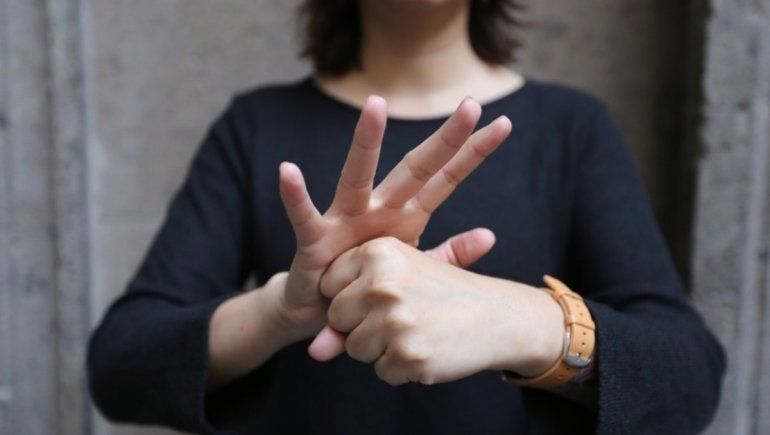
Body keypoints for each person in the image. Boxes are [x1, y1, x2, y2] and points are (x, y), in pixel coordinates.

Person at [87, 1, 726, 434]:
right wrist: (283, 307)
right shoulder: (255, 126)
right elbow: (120, 364)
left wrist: (521, 321)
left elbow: (689, 377)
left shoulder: (572, 129)